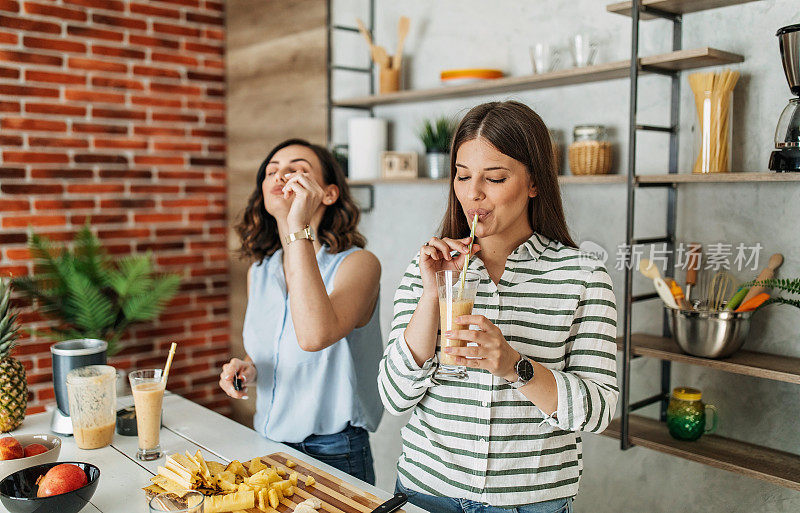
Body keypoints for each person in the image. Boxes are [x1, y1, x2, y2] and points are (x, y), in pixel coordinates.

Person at [378, 101, 618, 512]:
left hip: (531, 501)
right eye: (463, 176)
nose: (473, 193)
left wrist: (513, 365)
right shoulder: (431, 267)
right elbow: (394, 397)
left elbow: (597, 412)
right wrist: (432, 294)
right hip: (427, 491)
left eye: (495, 177)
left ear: (534, 182)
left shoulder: (583, 276)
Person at [219, 138, 383, 484]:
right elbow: (273, 350)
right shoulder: (260, 272)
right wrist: (247, 369)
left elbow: (314, 336)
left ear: (328, 194)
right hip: (266, 441)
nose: (281, 176)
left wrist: (298, 224)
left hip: (334, 452)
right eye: (272, 171)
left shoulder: (358, 265)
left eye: (298, 170)